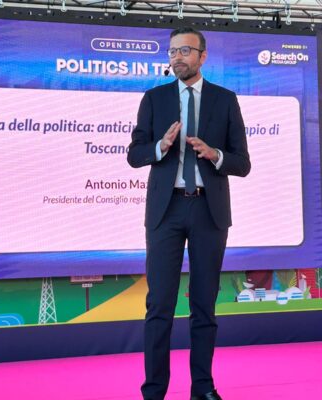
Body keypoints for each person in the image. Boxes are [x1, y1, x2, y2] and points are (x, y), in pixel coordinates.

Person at [127, 27, 251, 400]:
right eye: (172, 51)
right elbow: (135, 154)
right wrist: (160, 146)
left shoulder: (225, 100)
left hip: (208, 211)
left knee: (204, 304)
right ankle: (154, 391)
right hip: (165, 211)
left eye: (184, 50)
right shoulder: (154, 98)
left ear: (202, 56)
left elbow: (242, 163)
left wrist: (215, 155)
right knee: (159, 304)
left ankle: (203, 387)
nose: (176, 57)